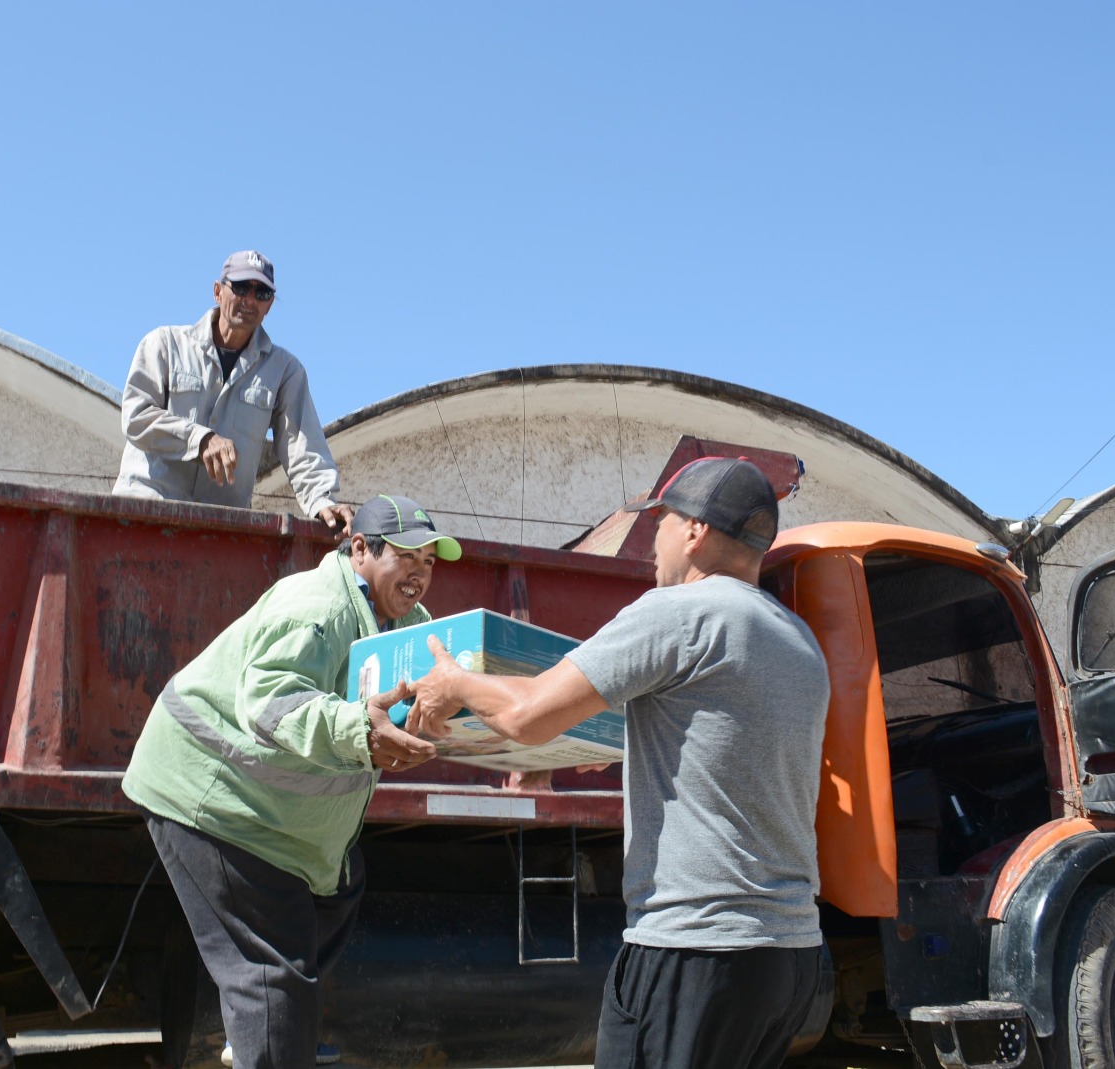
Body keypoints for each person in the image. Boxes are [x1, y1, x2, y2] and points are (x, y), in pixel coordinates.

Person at [407, 458, 830, 1069]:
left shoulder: (678, 612)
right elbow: (721, 745)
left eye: (659, 521)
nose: (651, 540)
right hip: (789, 956)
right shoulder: (796, 639)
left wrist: (456, 684)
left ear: (694, 531)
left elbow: (527, 713)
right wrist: (575, 749)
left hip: (696, 947)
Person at [122, 495, 462, 1069]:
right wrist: (361, 730)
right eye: (407, 556)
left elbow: (446, 673)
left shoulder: (406, 623)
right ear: (360, 550)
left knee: (341, 887)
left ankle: (263, 1029)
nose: (420, 574)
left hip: (279, 821)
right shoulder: (317, 607)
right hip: (215, 799)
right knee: (273, 976)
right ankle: (267, 1035)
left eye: (430, 562)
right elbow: (274, 701)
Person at [113, 250, 353, 533]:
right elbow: (136, 417)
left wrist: (321, 500)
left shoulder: (285, 371)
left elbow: (301, 444)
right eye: (240, 287)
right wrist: (200, 439)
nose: (250, 300)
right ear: (217, 291)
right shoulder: (164, 344)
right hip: (142, 516)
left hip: (220, 531)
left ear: (270, 305)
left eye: (261, 293)